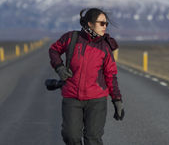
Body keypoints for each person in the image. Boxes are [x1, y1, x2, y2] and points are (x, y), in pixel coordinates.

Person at [49, 8, 124, 145]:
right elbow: (54, 50)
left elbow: (111, 76)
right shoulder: (71, 38)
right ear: (90, 24)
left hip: (97, 100)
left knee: (92, 139)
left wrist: (117, 100)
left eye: (106, 24)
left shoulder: (105, 47)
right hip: (72, 96)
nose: (105, 27)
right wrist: (59, 67)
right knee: (70, 136)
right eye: (101, 23)